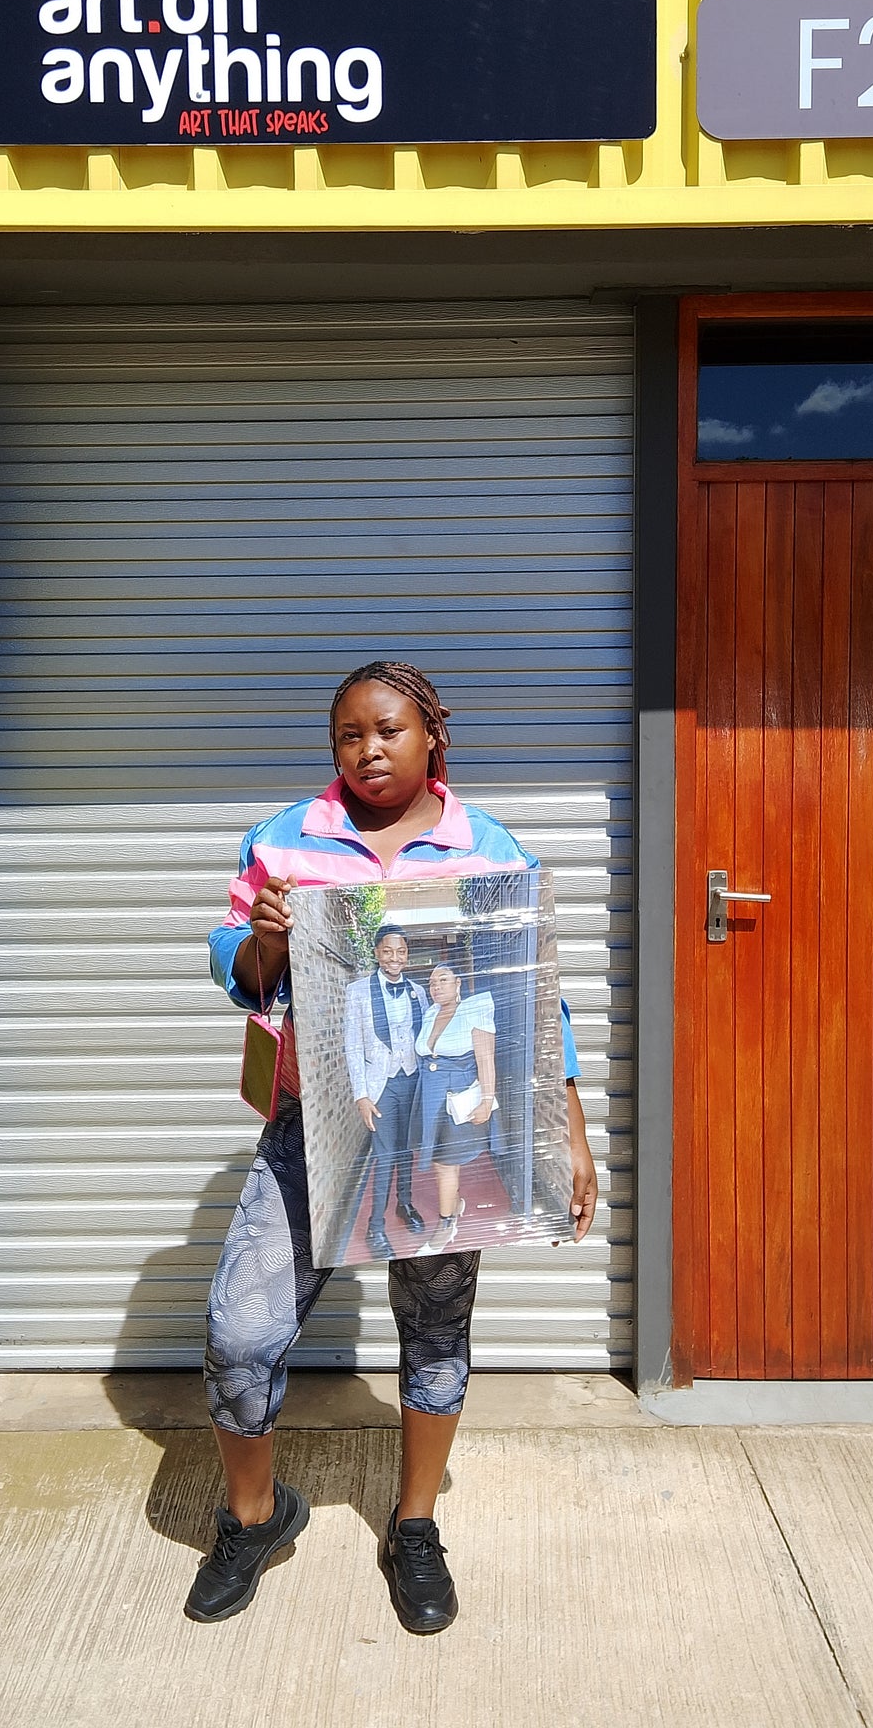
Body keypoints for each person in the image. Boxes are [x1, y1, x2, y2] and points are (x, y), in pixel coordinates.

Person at [190, 660, 598, 1636]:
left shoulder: (484, 845)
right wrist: (270, 938)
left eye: (389, 730)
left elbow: (536, 991)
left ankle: (414, 1524)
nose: (368, 750)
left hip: (441, 1125)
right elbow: (235, 964)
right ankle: (254, 1514)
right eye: (349, 734)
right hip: (312, 1124)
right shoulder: (286, 837)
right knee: (240, 1334)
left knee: (435, 1333)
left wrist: (571, 1133)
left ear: (432, 736)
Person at [343, 924, 428, 1257]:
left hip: (412, 1081)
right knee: (384, 1154)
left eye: (401, 951)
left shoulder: (418, 992)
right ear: (377, 953)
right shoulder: (358, 992)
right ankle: (375, 1226)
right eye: (388, 951)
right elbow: (353, 1046)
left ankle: (404, 1204)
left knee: (406, 1150)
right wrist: (361, 1096)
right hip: (381, 1086)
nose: (395, 958)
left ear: (407, 955)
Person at [413, 963, 498, 1254]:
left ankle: (446, 1225)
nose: (436, 986)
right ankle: (456, 1202)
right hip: (431, 1097)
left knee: (445, 1162)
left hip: (457, 1095)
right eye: (432, 982)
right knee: (444, 1160)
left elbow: (485, 1059)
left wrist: (487, 1100)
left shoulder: (475, 1010)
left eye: (443, 980)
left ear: (458, 983)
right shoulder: (430, 1013)